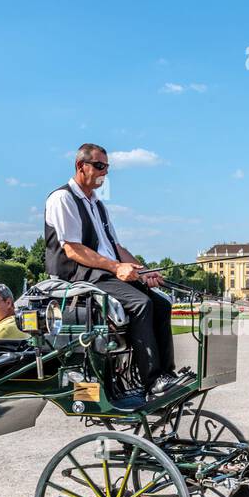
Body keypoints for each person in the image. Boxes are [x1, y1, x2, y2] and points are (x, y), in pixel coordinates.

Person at [44, 143, 180, 396]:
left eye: (106, 167)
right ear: (80, 166)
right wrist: (117, 268)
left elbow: (115, 247)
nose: (104, 172)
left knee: (161, 304)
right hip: (78, 273)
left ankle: (166, 374)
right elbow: (73, 249)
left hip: (104, 271)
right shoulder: (63, 198)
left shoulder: (98, 204)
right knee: (140, 304)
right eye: (99, 166)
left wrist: (144, 270)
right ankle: (151, 381)